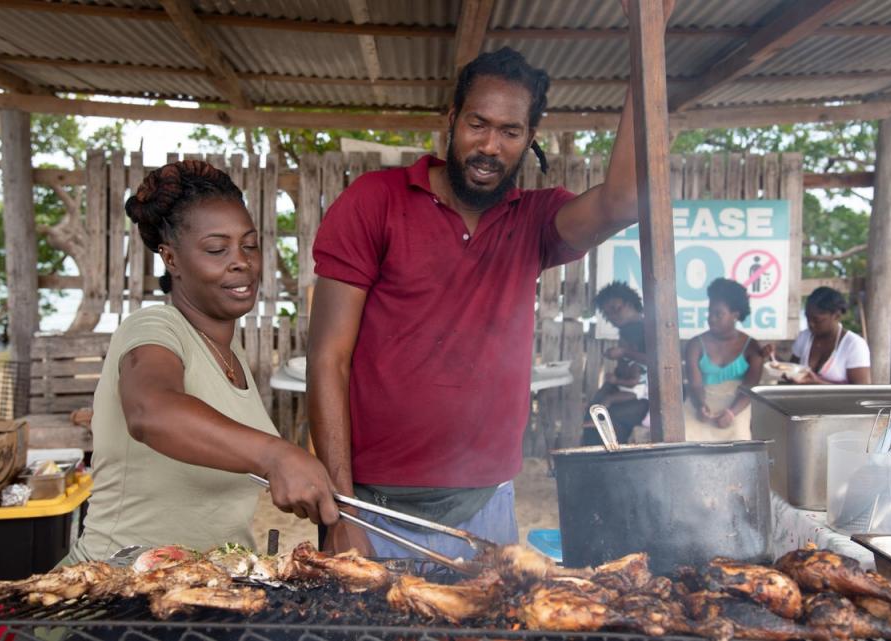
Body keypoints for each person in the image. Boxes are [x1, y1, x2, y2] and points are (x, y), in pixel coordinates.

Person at [307, 38, 659, 557]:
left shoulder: (535, 220)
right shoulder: (373, 202)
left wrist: (644, 41)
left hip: (487, 513)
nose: (490, 146)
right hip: (372, 512)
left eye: (510, 131)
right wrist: (342, 509)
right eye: (478, 124)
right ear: (451, 120)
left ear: (529, 138)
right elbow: (328, 358)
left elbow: (625, 200)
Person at [68, 160, 338, 563]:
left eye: (249, 245)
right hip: (121, 589)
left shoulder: (232, 355)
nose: (241, 261)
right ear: (171, 259)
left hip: (212, 591)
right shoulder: (153, 328)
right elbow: (150, 411)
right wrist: (276, 454)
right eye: (216, 249)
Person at [683, 278, 763, 442]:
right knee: (685, 441)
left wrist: (731, 413)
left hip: (737, 407)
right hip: (700, 405)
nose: (711, 318)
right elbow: (695, 385)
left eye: (718, 314)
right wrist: (700, 406)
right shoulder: (695, 344)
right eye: (710, 312)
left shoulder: (751, 346)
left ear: (735, 315)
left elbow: (749, 389)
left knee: (740, 442)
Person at [581, 282, 649, 445]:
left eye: (615, 308)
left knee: (607, 426)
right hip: (626, 387)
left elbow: (657, 361)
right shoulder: (627, 330)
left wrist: (624, 352)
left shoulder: (649, 329)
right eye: (607, 313)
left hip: (644, 393)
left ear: (631, 304)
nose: (612, 315)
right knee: (597, 416)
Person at [765, 286, 871, 385]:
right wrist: (774, 360)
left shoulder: (854, 345)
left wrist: (818, 383)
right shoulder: (804, 337)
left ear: (836, 316)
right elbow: (791, 371)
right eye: (807, 318)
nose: (811, 324)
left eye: (817, 320)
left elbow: (860, 394)